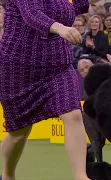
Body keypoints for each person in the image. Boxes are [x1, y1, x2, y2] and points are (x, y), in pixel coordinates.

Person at [0, 0, 91, 180]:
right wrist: (61, 28)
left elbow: (82, 6)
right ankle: (8, 174)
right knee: (19, 133)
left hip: (59, 66)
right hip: (19, 68)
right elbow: (32, 14)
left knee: (73, 115)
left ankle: (81, 176)